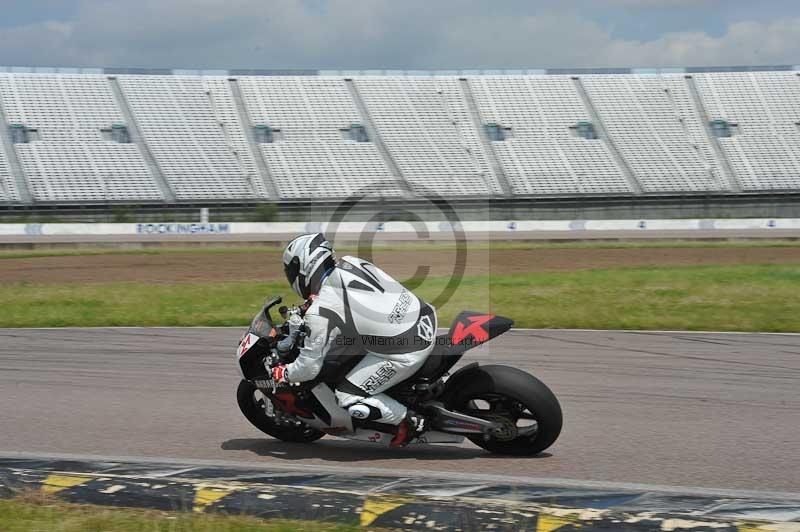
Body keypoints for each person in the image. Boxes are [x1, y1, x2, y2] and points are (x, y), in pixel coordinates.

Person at [270, 233, 435, 446]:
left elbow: (309, 368)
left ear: (303, 267)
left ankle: (409, 421)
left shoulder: (321, 310)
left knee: (347, 396)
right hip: (424, 316)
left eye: (291, 271)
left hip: (407, 348)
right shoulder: (351, 263)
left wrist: (283, 372)